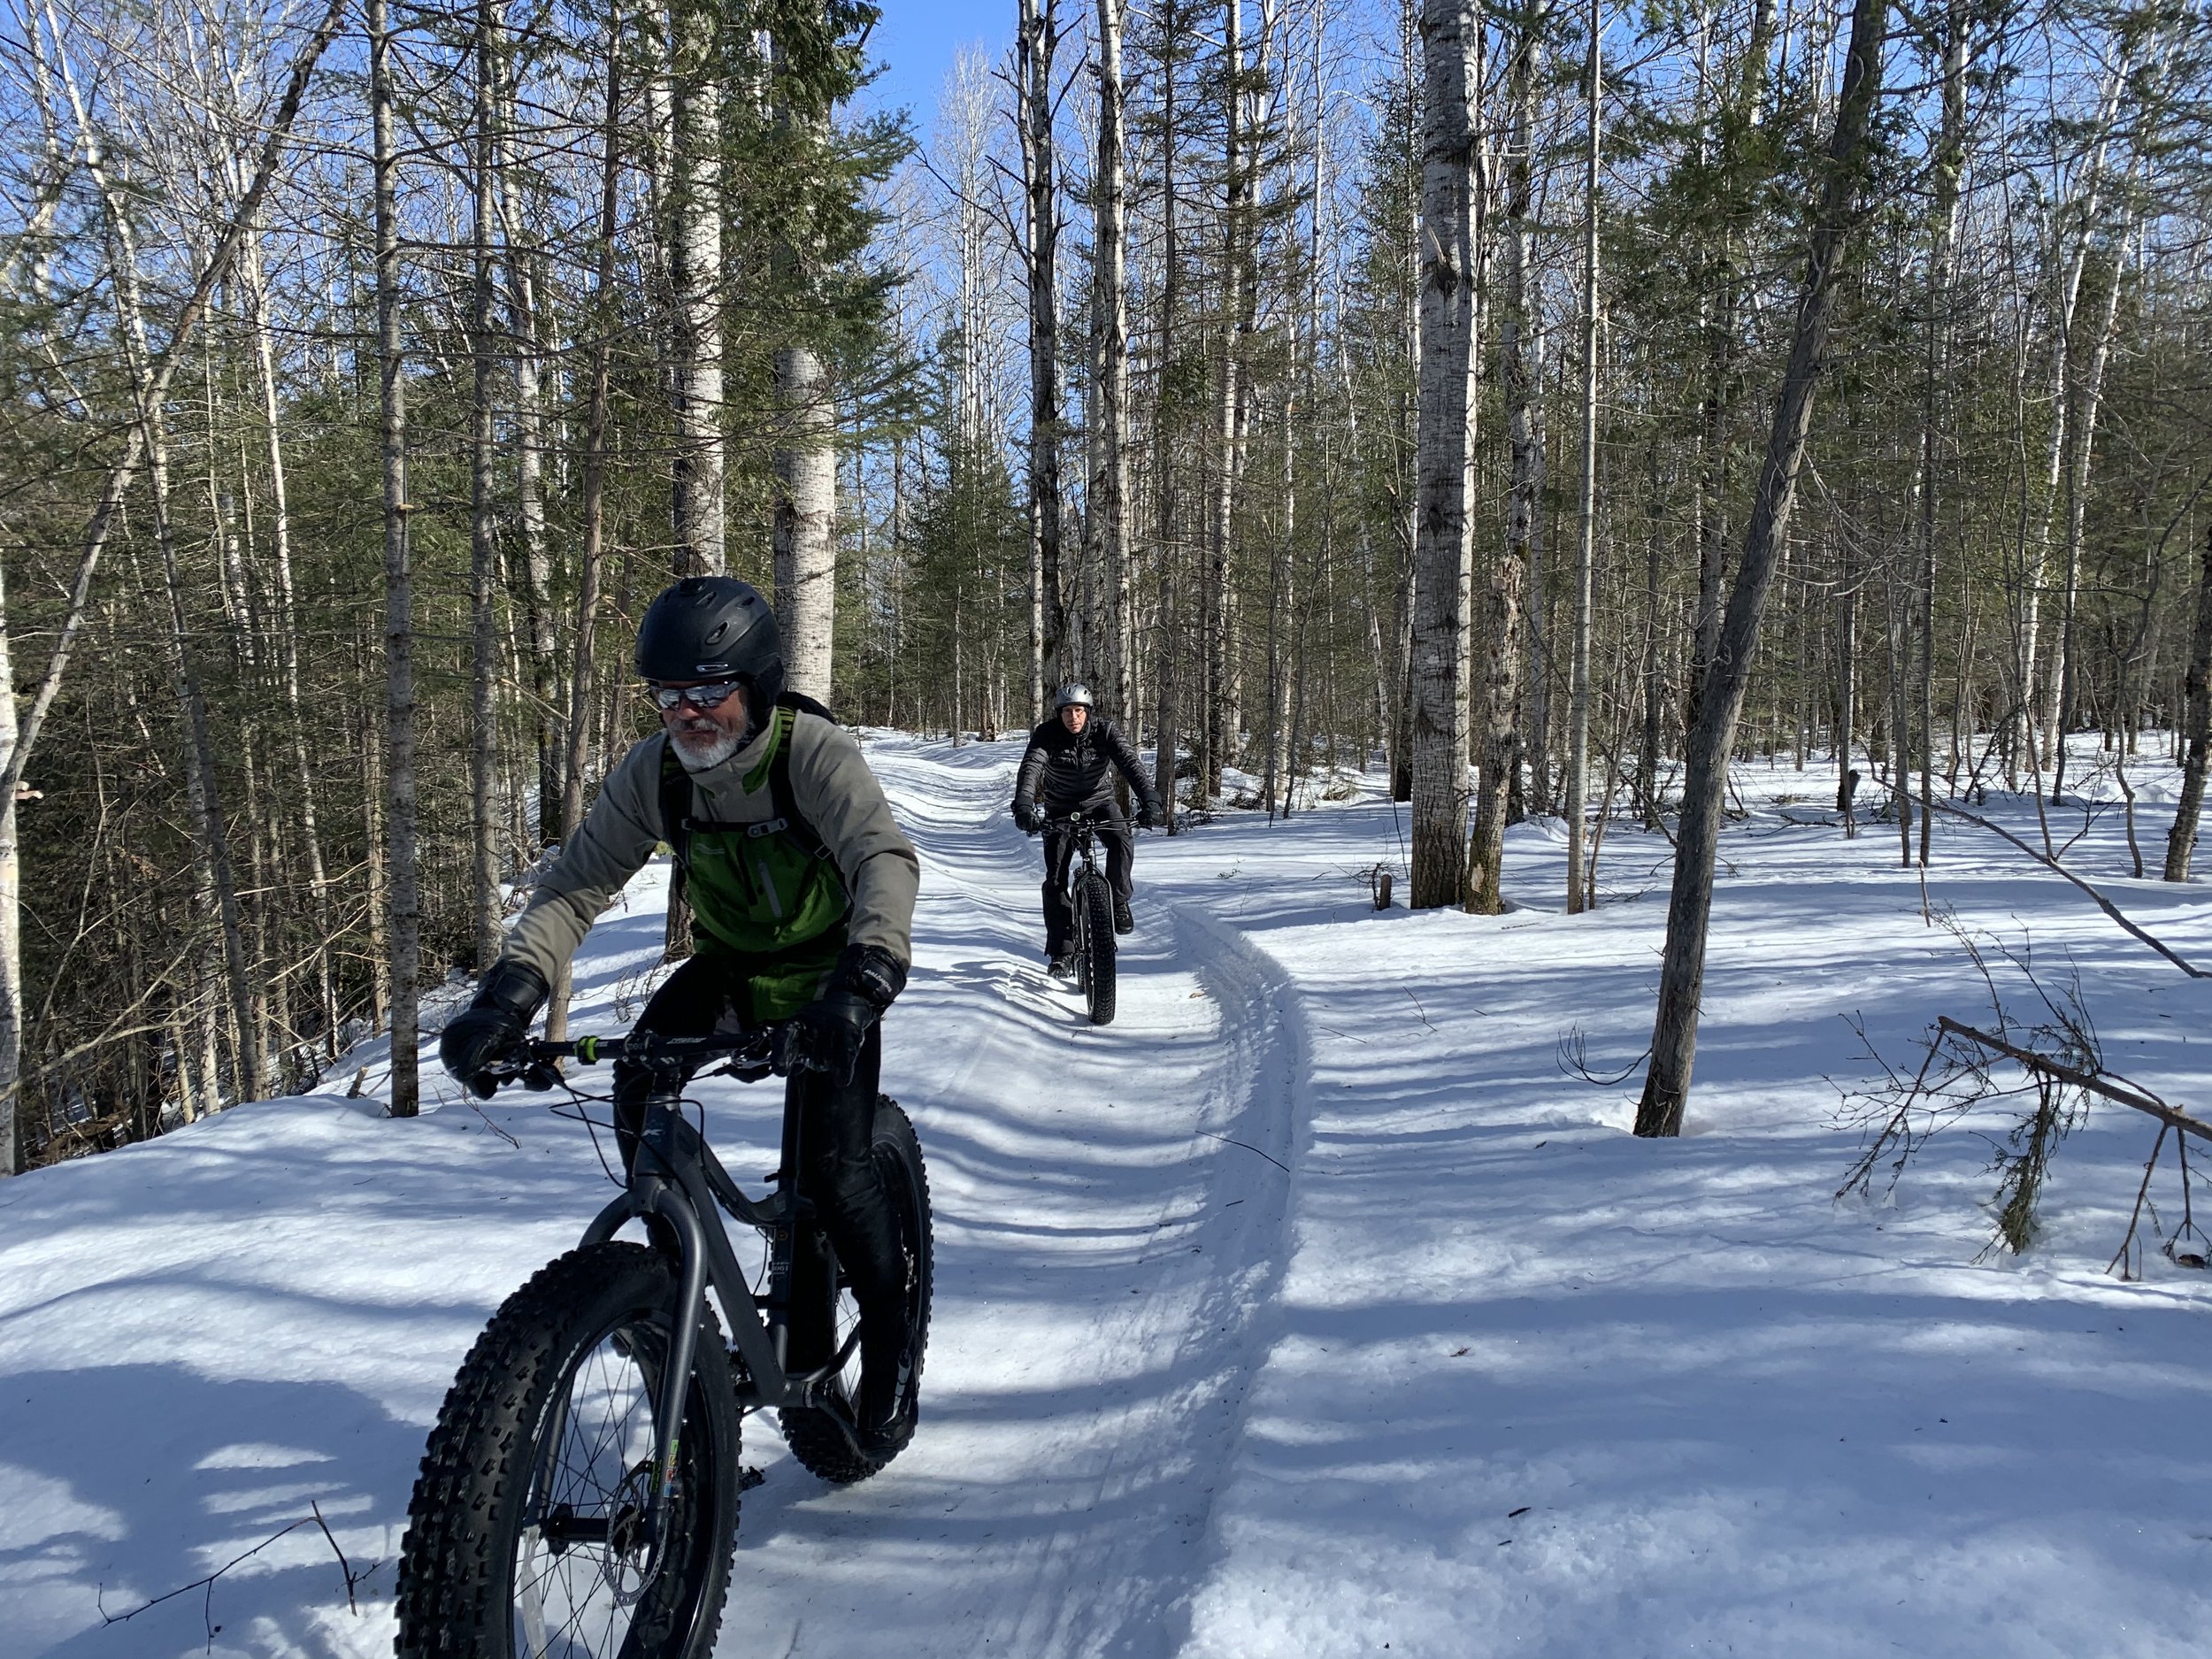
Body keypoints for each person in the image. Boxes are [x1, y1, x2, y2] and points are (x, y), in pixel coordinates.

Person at [438, 575, 924, 1453]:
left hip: (830, 977)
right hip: (733, 967)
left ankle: (890, 1335)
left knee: (837, 1170)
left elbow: (881, 859)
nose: (688, 714)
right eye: (669, 694)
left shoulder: (809, 753)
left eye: (709, 691)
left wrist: (866, 977)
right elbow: (576, 884)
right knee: (640, 1077)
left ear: (758, 685)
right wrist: (506, 998)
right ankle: (674, 1294)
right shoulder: (655, 773)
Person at [1010, 684, 1164, 973]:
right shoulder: (1047, 734)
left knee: (1121, 838)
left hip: (1100, 803)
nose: (1073, 717)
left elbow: (1131, 764)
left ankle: (1118, 900)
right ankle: (1062, 950)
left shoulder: (1105, 731)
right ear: (1059, 714)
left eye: (1079, 710)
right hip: (1059, 808)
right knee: (1055, 877)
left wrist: (1150, 802)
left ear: (1088, 712)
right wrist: (1024, 806)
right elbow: (1031, 768)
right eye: (1067, 711)